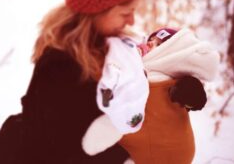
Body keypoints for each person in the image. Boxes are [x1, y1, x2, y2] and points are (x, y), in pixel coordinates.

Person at [0, 0, 149, 164]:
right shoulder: (59, 65)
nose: (132, 21)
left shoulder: (119, 47)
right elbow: (58, 148)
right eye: (125, 13)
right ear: (97, 10)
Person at [82, 26, 220, 163]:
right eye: (151, 39)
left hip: (162, 152)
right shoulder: (139, 67)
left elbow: (124, 113)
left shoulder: (163, 81)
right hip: (153, 151)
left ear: (170, 54)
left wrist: (192, 95)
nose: (150, 43)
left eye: (158, 44)